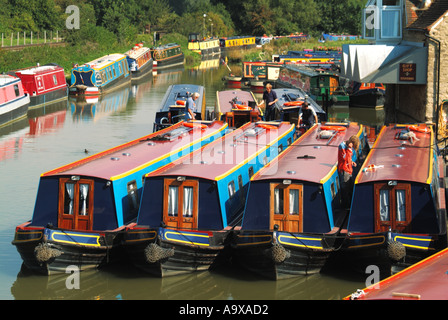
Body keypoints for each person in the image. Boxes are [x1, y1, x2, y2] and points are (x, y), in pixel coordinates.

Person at [338, 135, 360, 208]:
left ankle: (350, 205)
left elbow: (348, 158)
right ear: (351, 143)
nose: (352, 148)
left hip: (349, 169)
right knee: (345, 189)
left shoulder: (348, 148)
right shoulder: (342, 146)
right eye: (353, 146)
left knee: (350, 188)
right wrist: (349, 149)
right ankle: (345, 207)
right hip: (344, 170)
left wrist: (351, 162)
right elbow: (344, 158)